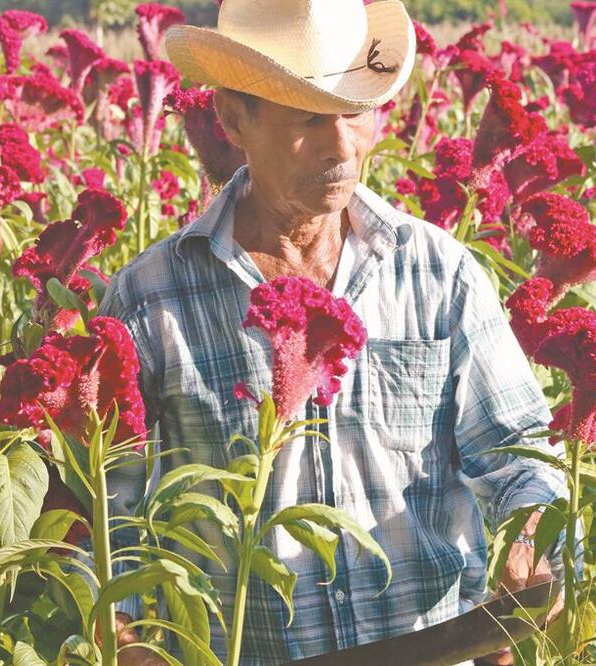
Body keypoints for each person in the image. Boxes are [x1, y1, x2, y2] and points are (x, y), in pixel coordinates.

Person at [102, 1, 568, 664]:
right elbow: (110, 510)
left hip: (431, 647)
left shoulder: (437, 272)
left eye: (355, 112)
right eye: (308, 119)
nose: (341, 145)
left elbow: (518, 449)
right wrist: (121, 641)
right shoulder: (154, 297)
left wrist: (530, 534)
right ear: (234, 119)